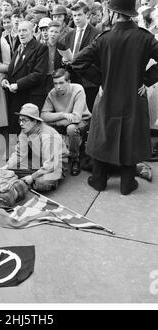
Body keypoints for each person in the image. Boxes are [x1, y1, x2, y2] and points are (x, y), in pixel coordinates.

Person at [71, 0, 158, 195]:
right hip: (134, 96)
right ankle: (127, 183)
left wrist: (101, 81)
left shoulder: (104, 38)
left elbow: (77, 62)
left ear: (112, 13)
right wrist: (146, 79)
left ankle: (99, 180)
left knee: (103, 135)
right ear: (131, 13)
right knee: (130, 136)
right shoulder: (145, 37)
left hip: (108, 95)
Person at [2, 103, 69, 192]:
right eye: (20, 120)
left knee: (41, 184)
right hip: (39, 161)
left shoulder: (48, 136)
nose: (21, 124)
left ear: (35, 121)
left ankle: (46, 179)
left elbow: (51, 163)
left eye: (24, 120)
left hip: (56, 165)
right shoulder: (25, 130)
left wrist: (33, 177)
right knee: (9, 168)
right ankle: (32, 178)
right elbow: (19, 154)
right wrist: (6, 166)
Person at [41, 68, 91, 176]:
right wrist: (62, 115)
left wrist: (55, 121)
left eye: (61, 83)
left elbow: (76, 118)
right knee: (42, 125)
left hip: (83, 121)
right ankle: (52, 157)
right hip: (64, 120)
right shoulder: (52, 93)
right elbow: (43, 115)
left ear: (68, 82)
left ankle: (74, 159)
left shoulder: (78, 89)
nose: (58, 87)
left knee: (71, 128)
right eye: (55, 83)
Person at [2, 20, 49, 134]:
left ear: (32, 32)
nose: (21, 33)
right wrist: (5, 80)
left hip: (30, 98)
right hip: (15, 98)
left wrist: (18, 85)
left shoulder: (41, 48)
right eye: (19, 31)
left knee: (30, 133)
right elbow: (12, 70)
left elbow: (38, 74)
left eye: (24, 30)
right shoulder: (19, 48)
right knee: (16, 132)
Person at [63, 1, 99, 112]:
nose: (76, 18)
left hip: (88, 79)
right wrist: (64, 60)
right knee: (74, 112)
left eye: (79, 15)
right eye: (74, 15)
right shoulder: (69, 35)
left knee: (89, 111)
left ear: (87, 15)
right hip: (73, 77)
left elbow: (97, 58)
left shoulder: (96, 33)